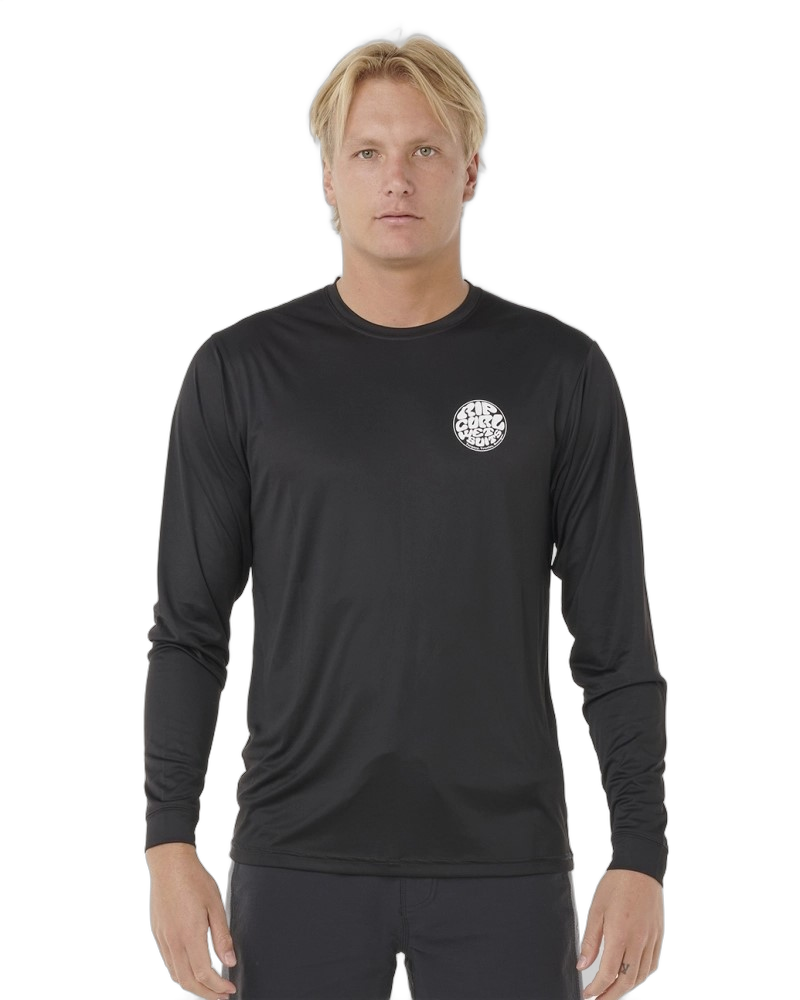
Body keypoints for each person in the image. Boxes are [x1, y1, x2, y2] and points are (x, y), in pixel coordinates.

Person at [144, 33, 667, 1000]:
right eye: (367, 152)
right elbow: (188, 632)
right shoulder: (241, 373)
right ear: (328, 180)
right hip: (297, 858)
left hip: (503, 866)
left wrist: (641, 851)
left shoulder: (559, 374)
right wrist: (168, 840)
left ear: (470, 172)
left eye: (426, 149)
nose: (397, 178)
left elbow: (616, 644)